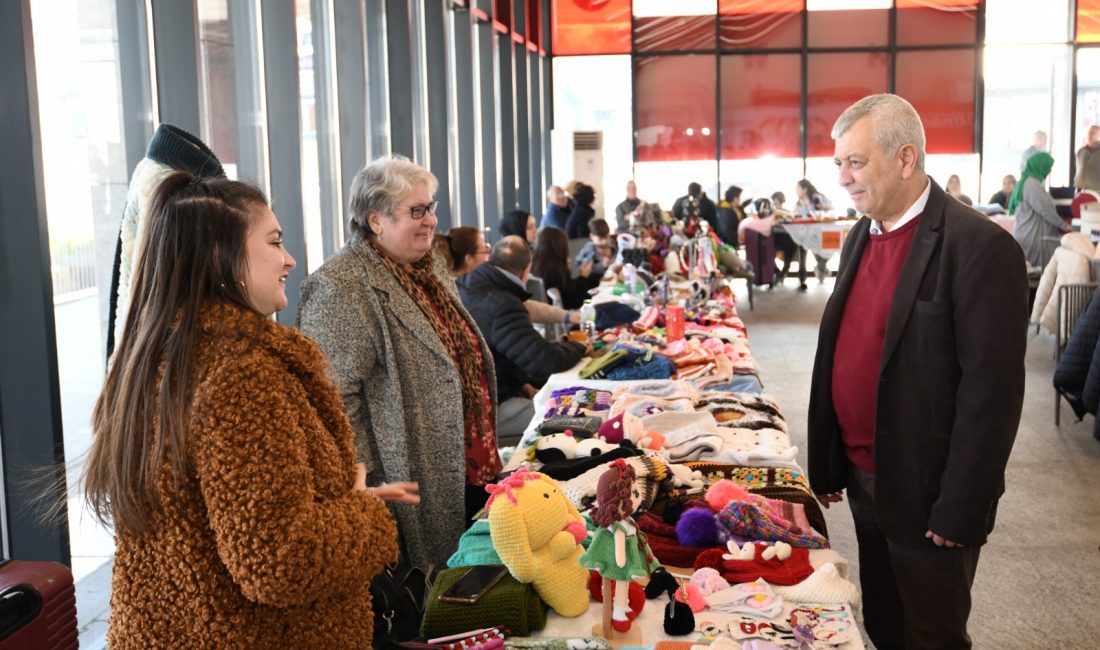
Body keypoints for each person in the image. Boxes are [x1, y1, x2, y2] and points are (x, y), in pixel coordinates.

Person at [86, 172, 413, 648]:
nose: (290, 259)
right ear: (222, 257)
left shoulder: (161, 358)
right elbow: (279, 560)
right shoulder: (240, 374)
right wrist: (365, 515)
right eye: (275, 242)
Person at [809, 94, 1027, 649]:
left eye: (855, 162)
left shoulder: (979, 247)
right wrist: (831, 459)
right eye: (838, 164)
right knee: (883, 623)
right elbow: (847, 346)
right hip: (864, 479)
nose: (843, 178)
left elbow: (992, 396)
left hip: (929, 491)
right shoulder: (863, 232)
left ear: (906, 159)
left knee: (932, 635)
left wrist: (962, 506)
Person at [298, 155, 501, 568]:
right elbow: (334, 406)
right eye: (418, 210)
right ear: (376, 221)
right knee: (430, 601)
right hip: (407, 482)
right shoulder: (340, 286)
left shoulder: (430, 269)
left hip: (467, 465)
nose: (431, 220)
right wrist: (374, 491)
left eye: (432, 207)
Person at [458, 236, 590, 445]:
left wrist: (521, 382)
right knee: (578, 417)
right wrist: (580, 347)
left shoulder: (470, 284)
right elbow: (544, 360)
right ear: (526, 270)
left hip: (477, 398)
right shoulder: (503, 303)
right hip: (488, 408)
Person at [578, 459, 660, 633]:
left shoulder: (626, 521)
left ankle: (623, 606)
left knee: (625, 583)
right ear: (617, 501)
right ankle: (619, 611)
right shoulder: (618, 527)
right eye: (634, 494)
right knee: (623, 582)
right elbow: (620, 550)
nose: (638, 498)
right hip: (618, 561)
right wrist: (623, 562)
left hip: (625, 558)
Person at [1011, 151, 1069, 268]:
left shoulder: (1028, 181)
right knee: (1033, 273)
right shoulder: (1031, 184)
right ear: (1040, 166)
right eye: (1048, 167)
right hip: (1032, 237)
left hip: (1027, 233)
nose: (1050, 171)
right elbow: (1045, 210)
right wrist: (1065, 226)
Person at [532, 226, 601, 310]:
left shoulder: (537, 264)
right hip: (564, 314)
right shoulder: (556, 270)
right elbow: (574, 301)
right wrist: (583, 276)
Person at [795, 179, 834, 282]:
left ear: (804, 189)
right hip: (810, 231)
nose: (796, 191)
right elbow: (796, 215)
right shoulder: (800, 202)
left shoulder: (818, 197)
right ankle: (821, 270)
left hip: (824, 229)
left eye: (798, 188)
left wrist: (823, 207)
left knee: (832, 245)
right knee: (813, 247)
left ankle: (821, 268)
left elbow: (831, 208)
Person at [1074, 124, 1100, 193]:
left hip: (1097, 190)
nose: (1090, 135)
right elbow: (1078, 170)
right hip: (1081, 190)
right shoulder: (1081, 151)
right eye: (1089, 133)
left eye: (1093, 133)